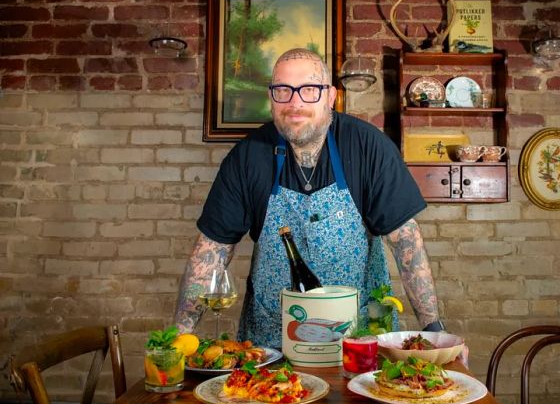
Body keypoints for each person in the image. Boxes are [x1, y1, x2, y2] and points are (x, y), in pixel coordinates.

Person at [174, 48, 447, 349]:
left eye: (309, 90)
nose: (295, 103)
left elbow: (406, 243)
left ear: (330, 97)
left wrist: (433, 329)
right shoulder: (247, 157)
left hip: (358, 341)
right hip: (272, 345)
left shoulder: (368, 147)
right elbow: (211, 251)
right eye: (283, 90)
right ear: (271, 97)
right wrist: (178, 337)